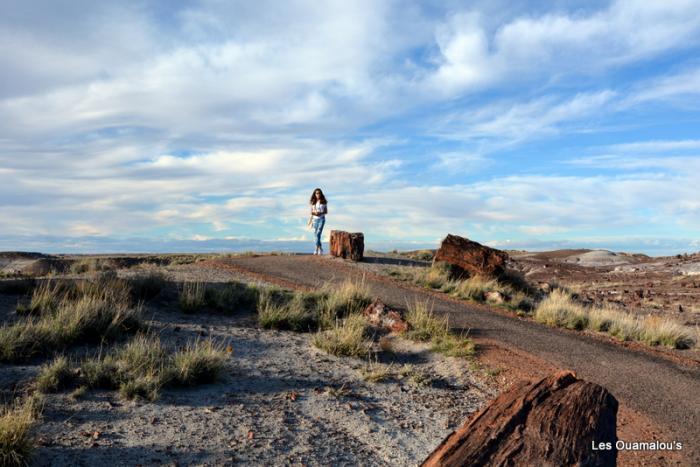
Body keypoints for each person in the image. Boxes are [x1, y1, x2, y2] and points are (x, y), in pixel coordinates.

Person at [308, 188, 328, 255]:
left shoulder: (324, 201)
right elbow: (311, 212)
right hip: (314, 219)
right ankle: (320, 248)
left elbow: (326, 211)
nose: (318, 194)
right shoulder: (313, 202)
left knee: (318, 233)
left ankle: (316, 248)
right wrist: (315, 213)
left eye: (319, 193)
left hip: (321, 219)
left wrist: (320, 212)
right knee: (316, 235)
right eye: (316, 193)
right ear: (314, 194)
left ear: (321, 194)